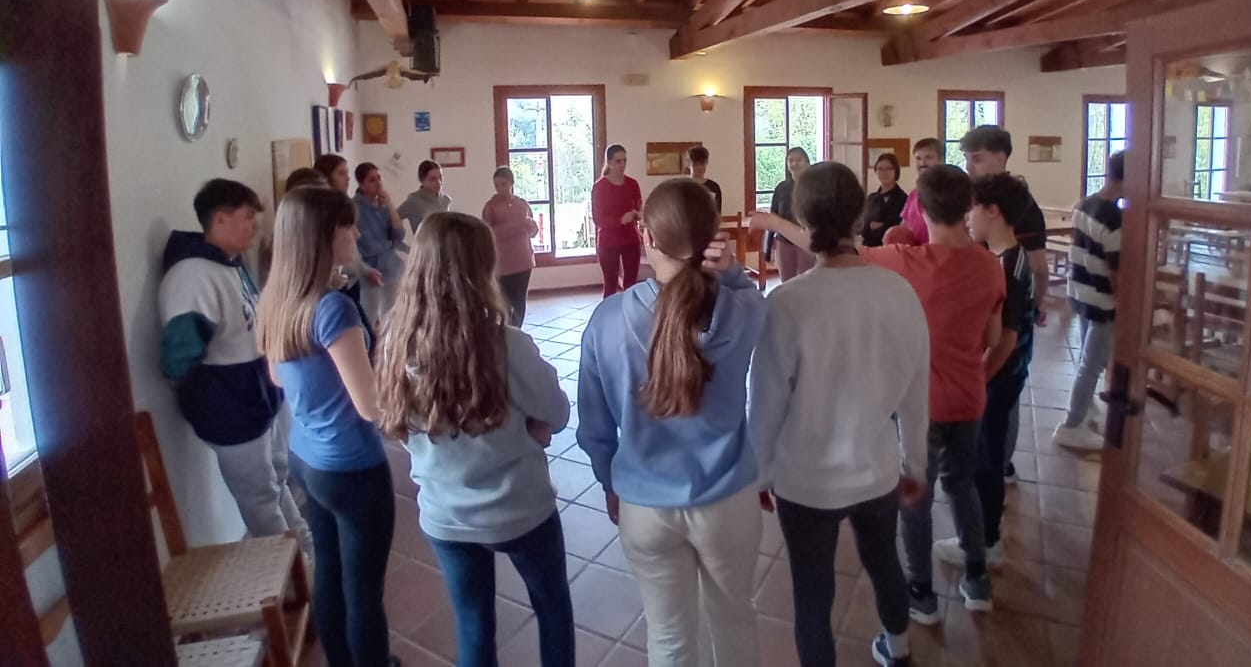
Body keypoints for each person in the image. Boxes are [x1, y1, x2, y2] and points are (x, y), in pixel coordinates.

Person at [577, 179, 766, 667]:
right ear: (712, 239)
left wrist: (609, 482)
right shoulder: (743, 310)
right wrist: (732, 272)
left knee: (668, 638)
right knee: (735, 620)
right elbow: (749, 295)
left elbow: (594, 428)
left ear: (646, 236)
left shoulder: (606, 320)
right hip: (727, 498)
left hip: (644, 504)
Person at [750, 162, 929, 667]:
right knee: (884, 563)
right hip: (876, 472)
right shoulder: (899, 293)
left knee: (812, 590)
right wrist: (916, 466)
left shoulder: (787, 302)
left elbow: (765, 403)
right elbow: (917, 395)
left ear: (804, 222)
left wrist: (759, 472)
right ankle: (899, 648)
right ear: (861, 217)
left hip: (803, 481)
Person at [375, 213, 574, 667]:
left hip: (446, 515)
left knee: (473, 624)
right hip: (522, 509)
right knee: (552, 608)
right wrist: (530, 431)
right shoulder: (509, 345)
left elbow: (403, 427)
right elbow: (557, 413)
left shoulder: (394, 344)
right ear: (482, 268)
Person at [257, 186, 395, 667]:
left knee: (332, 572)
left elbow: (279, 377)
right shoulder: (333, 308)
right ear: (321, 236)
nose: (355, 233)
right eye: (346, 225)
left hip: (307, 455)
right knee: (364, 589)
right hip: (352, 465)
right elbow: (371, 406)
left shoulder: (278, 299)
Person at [861, 166, 1004, 621]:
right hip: (969, 398)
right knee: (962, 485)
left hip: (921, 406)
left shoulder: (906, 261)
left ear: (919, 207)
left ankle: (922, 593)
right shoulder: (990, 265)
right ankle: (977, 580)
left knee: (915, 496)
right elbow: (992, 337)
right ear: (968, 206)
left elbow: (838, 251)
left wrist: (771, 223)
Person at [158, 179, 312, 556]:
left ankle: (306, 550)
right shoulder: (193, 275)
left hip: (259, 397)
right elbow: (181, 354)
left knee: (277, 478)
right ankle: (291, 571)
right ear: (220, 219)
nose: (254, 227)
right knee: (259, 497)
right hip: (231, 407)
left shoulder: (229, 264)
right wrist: (210, 393)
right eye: (247, 218)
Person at [950, 173, 1036, 569]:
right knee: (984, 455)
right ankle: (984, 534)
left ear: (993, 211)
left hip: (999, 378)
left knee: (985, 459)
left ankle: (985, 542)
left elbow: (1006, 340)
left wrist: (977, 382)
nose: (967, 217)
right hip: (1001, 375)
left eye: (972, 209)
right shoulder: (1004, 257)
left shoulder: (1009, 266)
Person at [960, 126, 1047, 486]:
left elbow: (1037, 270)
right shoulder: (996, 245)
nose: (970, 167)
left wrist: (1034, 307)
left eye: (976, 159)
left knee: (997, 420)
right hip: (992, 342)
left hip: (1003, 354)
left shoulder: (1012, 252)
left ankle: (998, 472)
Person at [1055, 150, 1125, 451]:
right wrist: (1126, 305)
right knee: (1091, 365)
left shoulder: (1085, 204)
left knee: (1087, 358)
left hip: (1080, 292)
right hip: (1101, 301)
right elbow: (1116, 273)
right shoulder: (1113, 220)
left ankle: (1086, 412)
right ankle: (1072, 425)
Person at [315, 154, 378, 347]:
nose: (348, 178)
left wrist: (365, 270)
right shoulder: (324, 210)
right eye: (341, 173)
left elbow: (353, 251)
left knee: (367, 338)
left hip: (350, 281)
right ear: (327, 177)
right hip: (335, 285)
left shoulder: (343, 203)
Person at [481, 166, 539, 328]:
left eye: (503, 184)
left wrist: (530, 225)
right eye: (497, 185)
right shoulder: (491, 206)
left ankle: (517, 329)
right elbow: (488, 233)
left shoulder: (522, 204)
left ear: (511, 183)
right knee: (504, 300)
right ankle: (506, 330)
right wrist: (515, 226)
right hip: (503, 262)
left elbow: (533, 231)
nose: (500, 188)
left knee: (519, 298)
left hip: (524, 260)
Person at [352, 162, 405, 324]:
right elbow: (363, 243)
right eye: (372, 180)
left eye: (379, 177)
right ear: (361, 184)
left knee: (391, 317)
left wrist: (390, 205)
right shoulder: (354, 208)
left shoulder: (383, 205)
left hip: (391, 266)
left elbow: (399, 235)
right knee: (369, 316)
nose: (378, 183)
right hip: (369, 268)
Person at [592, 144, 643, 299]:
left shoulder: (632, 184)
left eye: (624, 160)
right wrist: (620, 220)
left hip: (631, 239)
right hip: (608, 241)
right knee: (610, 283)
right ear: (609, 162)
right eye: (618, 161)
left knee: (631, 283)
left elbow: (639, 205)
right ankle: (608, 311)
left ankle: (629, 310)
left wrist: (638, 215)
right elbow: (598, 219)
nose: (622, 165)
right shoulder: (600, 187)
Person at [764, 147, 813, 283]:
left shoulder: (815, 187)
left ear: (807, 163)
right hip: (783, 242)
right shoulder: (781, 188)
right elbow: (773, 217)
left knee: (806, 282)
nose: (794, 164)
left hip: (806, 241)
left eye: (798, 160)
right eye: (791, 160)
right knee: (786, 281)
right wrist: (768, 248)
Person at [896, 139, 942, 246]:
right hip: (914, 253)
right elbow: (904, 226)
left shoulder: (949, 192)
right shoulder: (913, 194)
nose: (922, 163)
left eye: (928, 158)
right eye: (918, 158)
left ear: (940, 160)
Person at [859, 152, 907, 248]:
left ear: (896, 171)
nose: (884, 173)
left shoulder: (903, 198)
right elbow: (865, 228)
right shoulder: (871, 198)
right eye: (880, 169)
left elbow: (898, 228)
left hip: (891, 249)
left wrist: (881, 226)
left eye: (888, 168)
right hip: (868, 248)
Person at [398, 159, 452, 234]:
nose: (439, 182)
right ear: (422, 180)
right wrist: (398, 235)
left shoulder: (446, 200)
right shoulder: (414, 201)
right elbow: (394, 216)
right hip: (423, 240)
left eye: (440, 177)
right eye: (433, 179)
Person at [686, 145, 723, 213]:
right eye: (695, 164)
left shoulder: (714, 187)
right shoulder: (682, 187)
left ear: (707, 162)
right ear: (688, 164)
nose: (699, 168)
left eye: (702, 164)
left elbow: (717, 213)